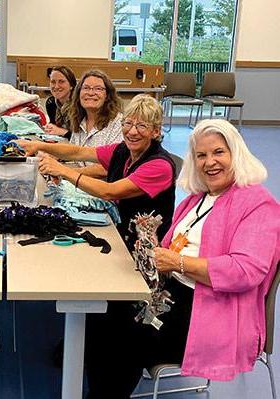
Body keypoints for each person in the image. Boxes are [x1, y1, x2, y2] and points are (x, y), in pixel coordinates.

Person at [86, 119, 280, 398]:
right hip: (173, 293)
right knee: (102, 312)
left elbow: (245, 271)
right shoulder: (198, 198)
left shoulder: (258, 204)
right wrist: (154, 245)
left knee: (123, 335)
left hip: (211, 310)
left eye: (218, 152)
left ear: (236, 153)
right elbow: (176, 245)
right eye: (201, 155)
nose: (209, 162)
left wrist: (178, 263)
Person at [18, 94, 176, 250]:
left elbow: (109, 192)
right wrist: (38, 146)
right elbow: (78, 153)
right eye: (128, 123)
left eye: (142, 126)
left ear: (156, 131)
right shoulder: (122, 150)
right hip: (120, 231)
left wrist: (63, 171)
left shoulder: (160, 166)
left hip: (144, 250)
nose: (132, 131)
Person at [67, 69, 124, 149]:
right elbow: (72, 153)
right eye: (86, 88)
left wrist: (56, 162)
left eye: (98, 89)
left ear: (107, 96)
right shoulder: (79, 121)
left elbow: (112, 159)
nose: (90, 93)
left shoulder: (117, 123)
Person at [44, 66, 76, 138]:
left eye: (61, 82)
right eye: (53, 82)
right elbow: (54, 126)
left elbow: (85, 137)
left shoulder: (80, 106)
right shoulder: (51, 103)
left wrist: (64, 132)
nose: (56, 86)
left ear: (71, 85)